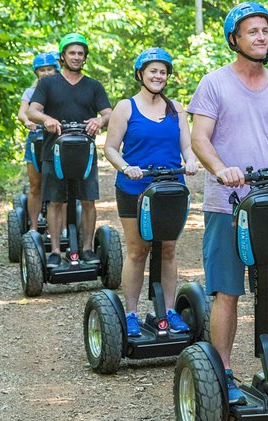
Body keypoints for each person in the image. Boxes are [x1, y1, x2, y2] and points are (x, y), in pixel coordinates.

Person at [188, 2, 268, 405]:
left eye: (265, 31)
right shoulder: (214, 83)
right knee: (228, 290)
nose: (262, 37)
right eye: (253, 32)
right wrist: (222, 169)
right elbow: (199, 139)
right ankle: (222, 371)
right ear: (234, 40)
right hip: (228, 204)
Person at [103, 48, 199, 336]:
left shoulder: (176, 108)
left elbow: (186, 145)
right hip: (135, 188)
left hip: (170, 189)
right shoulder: (126, 107)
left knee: (167, 249)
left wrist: (191, 160)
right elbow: (110, 148)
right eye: (153, 71)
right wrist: (125, 167)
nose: (158, 76)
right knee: (137, 251)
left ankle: (168, 311)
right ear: (140, 74)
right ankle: (130, 313)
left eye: (163, 71)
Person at [27, 33, 112, 269]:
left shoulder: (93, 86)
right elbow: (33, 111)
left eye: (80, 53)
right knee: (55, 201)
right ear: (63, 56)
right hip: (53, 152)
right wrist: (47, 119)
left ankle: (86, 249)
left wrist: (99, 121)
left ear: (85, 58)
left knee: (88, 200)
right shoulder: (48, 83)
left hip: (85, 153)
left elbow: (108, 113)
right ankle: (55, 251)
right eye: (72, 53)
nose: (76, 57)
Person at [17, 52, 59, 231]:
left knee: (58, 187)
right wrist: (27, 122)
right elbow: (22, 112)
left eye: (49, 69)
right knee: (35, 186)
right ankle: (34, 228)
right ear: (37, 72)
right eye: (42, 70)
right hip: (37, 138)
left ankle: (55, 228)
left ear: (55, 70)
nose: (46, 73)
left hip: (57, 139)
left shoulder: (62, 89)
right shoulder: (30, 92)